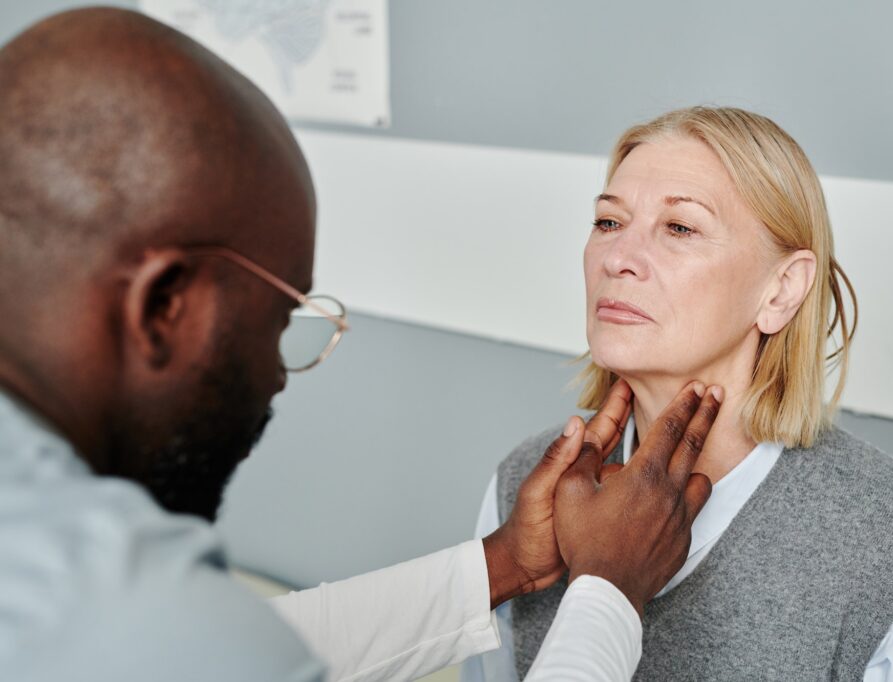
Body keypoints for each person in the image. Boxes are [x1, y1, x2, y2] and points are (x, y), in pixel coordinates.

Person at [0, 8, 722, 682]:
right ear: (162, 307)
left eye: (682, 228)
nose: (278, 381)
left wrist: (502, 564)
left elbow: (242, 642)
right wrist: (607, 591)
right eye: (278, 323)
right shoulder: (104, 604)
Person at [463, 107, 893, 681]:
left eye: (680, 228)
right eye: (607, 223)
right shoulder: (523, 492)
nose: (617, 259)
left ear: (781, 290)